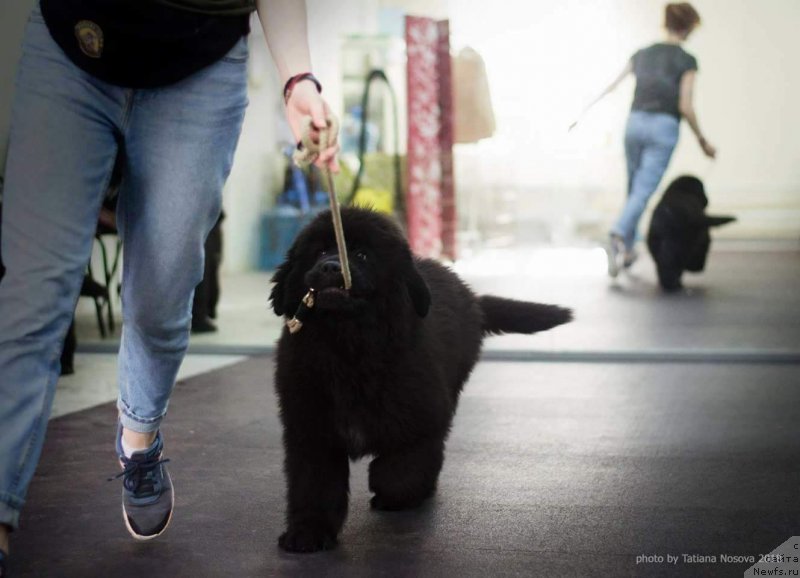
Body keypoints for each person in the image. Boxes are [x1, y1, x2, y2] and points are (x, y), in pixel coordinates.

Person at [0, 0, 339, 568]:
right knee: (31, 300)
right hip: (71, 51)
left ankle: (139, 437)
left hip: (198, 70)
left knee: (161, 299)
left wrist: (297, 78)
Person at [571, 2, 717, 277]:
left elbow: (611, 86)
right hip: (664, 127)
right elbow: (685, 106)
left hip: (635, 123)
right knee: (642, 191)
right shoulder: (687, 60)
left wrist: (582, 113)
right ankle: (616, 237)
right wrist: (702, 141)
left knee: (634, 189)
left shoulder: (642, 54)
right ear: (688, 27)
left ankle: (627, 247)